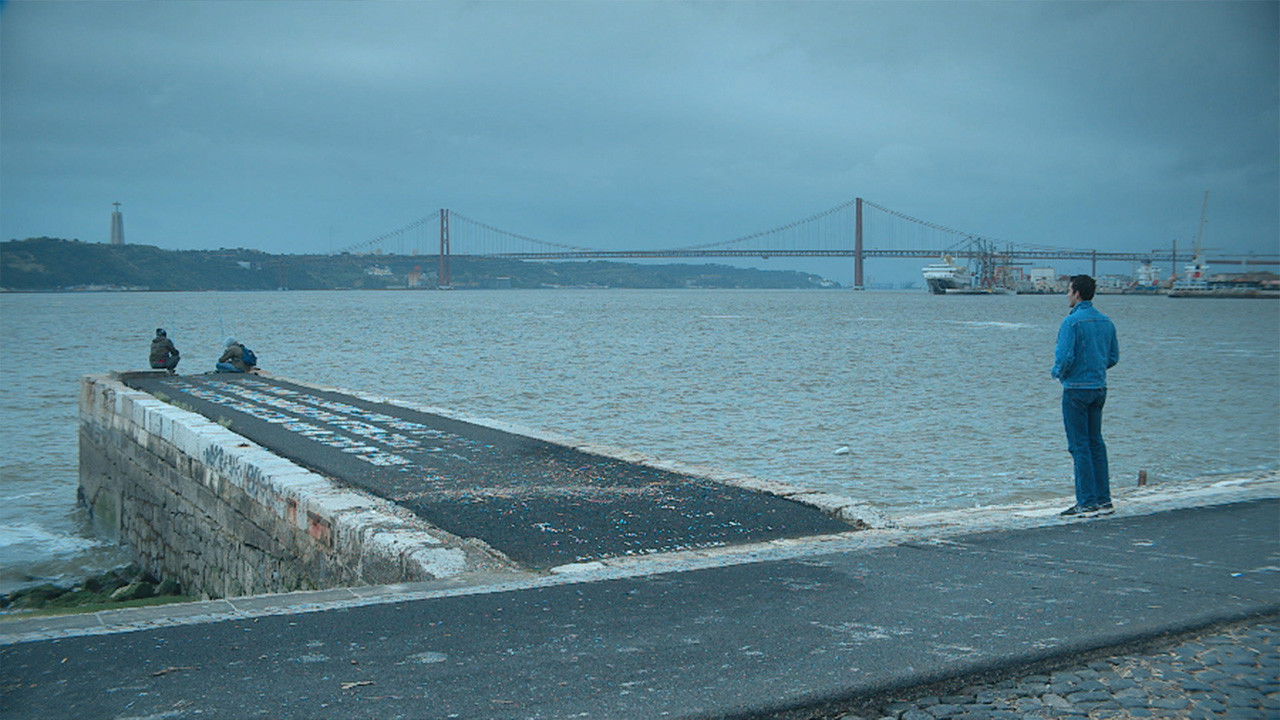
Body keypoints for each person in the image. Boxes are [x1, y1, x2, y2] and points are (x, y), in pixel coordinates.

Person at [1052, 275, 1119, 517]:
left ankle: (1086, 502)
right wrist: (1096, 369)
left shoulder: (1072, 323)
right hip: (1099, 388)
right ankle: (1103, 500)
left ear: (1077, 293)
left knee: (1079, 445)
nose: (1067, 295)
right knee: (1096, 443)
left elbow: (1065, 357)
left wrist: (1058, 374)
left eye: (1069, 290)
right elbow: (1113, 357)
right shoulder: (1106, 321)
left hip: (1076, 389)